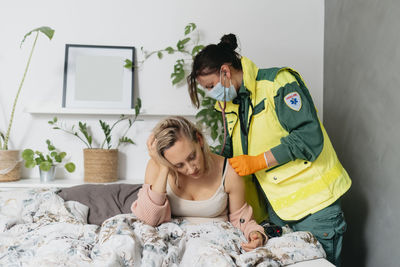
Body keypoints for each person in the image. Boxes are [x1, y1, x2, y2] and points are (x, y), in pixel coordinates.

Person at [186, 33, 351, 266]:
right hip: (279, 213)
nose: (212, 93)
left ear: (225, 71)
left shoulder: (277, 83)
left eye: (211, 86)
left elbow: (309, 137)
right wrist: (195, 157)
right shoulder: (232, 105)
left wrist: (258, 162)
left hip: (315, 209)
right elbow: (230, 154)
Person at [131, 116, 266, 252]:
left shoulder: (229, 171)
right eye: (179, 165)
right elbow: (148, 220)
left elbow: (241, 219)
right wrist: (164, 168)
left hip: (213, 242)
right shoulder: (158, 167)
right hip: (172, 242)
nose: (191, 169)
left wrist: (254, 234)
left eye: (192, 157)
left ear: (199, 140)